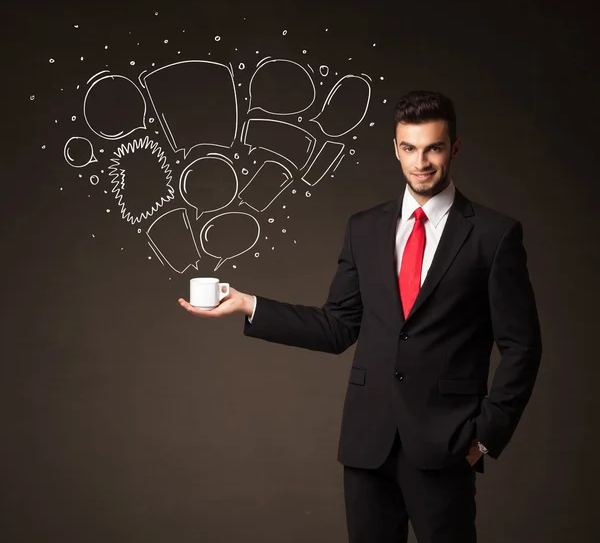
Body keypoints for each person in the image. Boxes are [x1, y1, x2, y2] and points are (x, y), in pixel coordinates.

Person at [178, 90, 542, 543]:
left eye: (434, 147)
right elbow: (337, 327)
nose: (421, 162)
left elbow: (522, 347)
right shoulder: (364, 228)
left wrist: (486, 436)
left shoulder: (493, 235)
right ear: (395, 148)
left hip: (446, 446)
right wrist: (249, 304)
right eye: (409, 148)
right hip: (367, 446)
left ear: (454, 148)